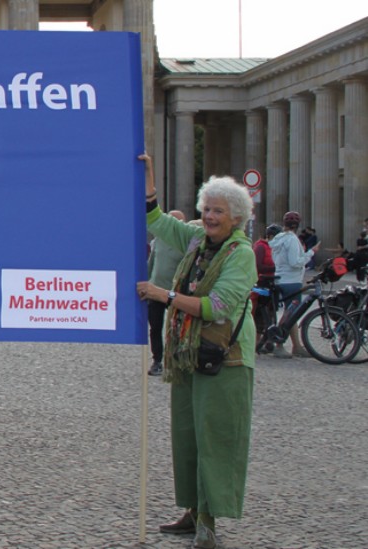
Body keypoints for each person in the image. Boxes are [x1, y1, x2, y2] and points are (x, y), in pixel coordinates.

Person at [135, 154, 256, 549]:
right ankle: (191, 510)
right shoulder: (196, 241)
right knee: (187, 436)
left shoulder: (241, 255)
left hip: (227, 360)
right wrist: (149, 177)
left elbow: (217, 306)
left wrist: (165, 295)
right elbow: (156, 222)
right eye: (207, 209)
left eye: (218, 211)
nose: (210, 216)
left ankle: (209, 521)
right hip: (189, 355)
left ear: (235, 217)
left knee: (215, 440)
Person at [270, 211, 317, 358]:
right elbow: (295, 262)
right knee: (290, 314)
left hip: (280, 278)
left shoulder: (278, 238)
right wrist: (311, 253)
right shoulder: (291, 240)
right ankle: (279, 344)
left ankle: (297, 346)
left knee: (291, 314)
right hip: (292, 281)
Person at [146, 209, 186, 376]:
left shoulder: (185, 243)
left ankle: (176, 358)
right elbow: (151, 263)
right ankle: (157, 360)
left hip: (175, 293)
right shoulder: (158, 240)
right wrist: (146, 283)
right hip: (156, 290)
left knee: (177, 327)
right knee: (155, 327)